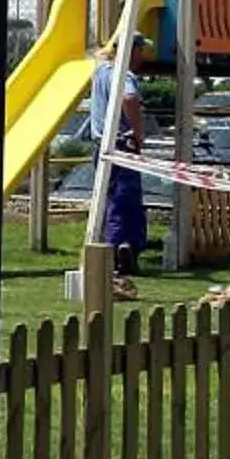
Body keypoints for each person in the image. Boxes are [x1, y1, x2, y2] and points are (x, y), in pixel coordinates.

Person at [88, 50, 149, 295]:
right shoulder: (123, 73)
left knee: (110, 199)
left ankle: (120, 248)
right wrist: (137, 131)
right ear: (132, 51)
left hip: (100, 146)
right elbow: (130, 97)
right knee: (126, 201)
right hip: (121, 145)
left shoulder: (100, 72)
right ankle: (117, 251)